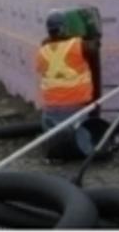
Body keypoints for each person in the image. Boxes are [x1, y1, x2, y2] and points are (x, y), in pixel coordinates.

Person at [36, 10, 98, 158]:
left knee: (56, 135)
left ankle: (57, 154)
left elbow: (43, 69)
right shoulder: (76, 45)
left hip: (51, 106)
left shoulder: (41, 51)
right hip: (75, 103)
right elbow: (94, 47)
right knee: (79, 135)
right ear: (64, 28)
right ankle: (82, 152)